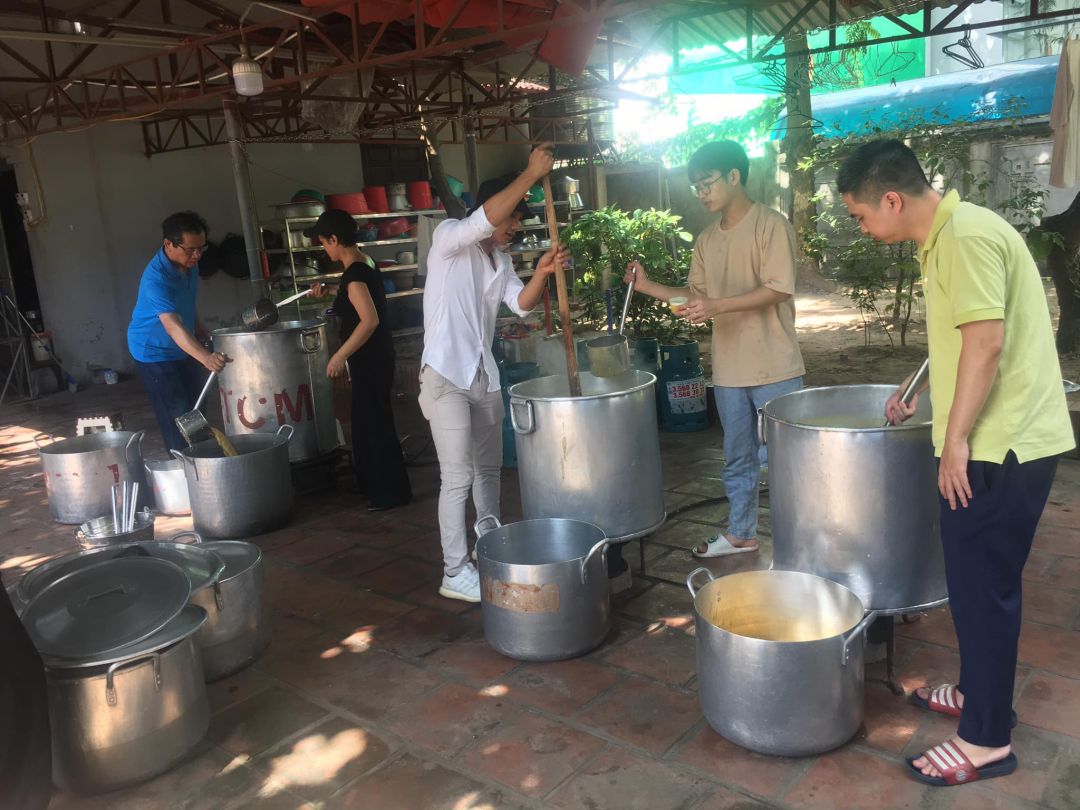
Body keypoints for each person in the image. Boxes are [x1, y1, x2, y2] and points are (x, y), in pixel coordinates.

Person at [838, 139, 1075, 788]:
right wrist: (919, 387)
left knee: (983, 592)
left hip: (1001, 447)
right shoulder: (948, 235)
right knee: (976, 586)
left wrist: (958, 439)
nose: (863, 227)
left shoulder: (965, 237)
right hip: (1001, 440)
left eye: (861, 215)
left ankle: (986, 741)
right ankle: (977, 693)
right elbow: (966, 329)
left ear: (891, 200)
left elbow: (987, 343)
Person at [624, 139, 804, 558]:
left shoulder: (771, 226)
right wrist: (647, 286)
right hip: (728, 371)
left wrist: (717, 306)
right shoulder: (706, 240)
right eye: (696, 186)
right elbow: (696, 297)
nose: (701, 193)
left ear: (734, 176)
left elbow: (779, 289)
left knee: (789, 461)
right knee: (737, 458)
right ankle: (741, 534)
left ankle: (800, 542)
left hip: (776, 366)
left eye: (707, 183)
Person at [420, 144, 570, 602]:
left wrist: (541, 272)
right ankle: (453, 570)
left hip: (483, 374)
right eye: (513, 217)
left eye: (520, 220)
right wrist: (530, 174)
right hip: (445, 375)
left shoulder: (500, 262)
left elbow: (520, 305)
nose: (516, 226)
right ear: (490, 210)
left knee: (488, 470)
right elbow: (482, 222)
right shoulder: (449, 238)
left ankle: (488, 545)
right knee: (457, 477)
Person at [307, 209, 411, 511]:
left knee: (375, 423)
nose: (324, 249)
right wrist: (330, 291)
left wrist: (340, 355)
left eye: (324, 242)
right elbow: (356, 296)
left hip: (371, 358)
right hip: (375, 356)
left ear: (334, 239)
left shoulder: (354, 274)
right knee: (366, 421)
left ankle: (390, 493)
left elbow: (369, 320)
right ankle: (370, 484)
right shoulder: (363, 262)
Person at [127, 211, 227, 452]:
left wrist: (197, 325)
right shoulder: (156, 279)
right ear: (168, 244)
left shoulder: (190, 265)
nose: (197, 255)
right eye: (191, 249)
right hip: (154, 352)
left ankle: (203, 460)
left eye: (201, 248)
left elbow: (185, 301)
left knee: (197, 408)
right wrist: (205, 358)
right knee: (178, 414)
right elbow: (171, 325)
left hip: (182, 344)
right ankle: (182, 464)